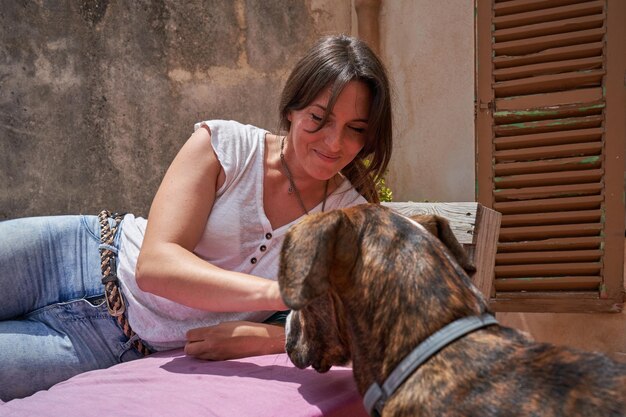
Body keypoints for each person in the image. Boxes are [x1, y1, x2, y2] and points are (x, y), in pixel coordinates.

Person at [0, 33, 393, 401]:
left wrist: (268, 336)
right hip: (68, 256)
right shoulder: (224, 146)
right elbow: (154, 266)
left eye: (355, 129)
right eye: (319, 118)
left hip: (111, 347)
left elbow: (369, 326)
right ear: (292, 109)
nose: (334, 142)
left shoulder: (352, 221)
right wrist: (289, 295)